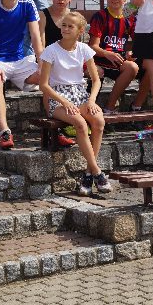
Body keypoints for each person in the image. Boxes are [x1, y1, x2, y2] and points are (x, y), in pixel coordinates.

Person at [39, 11, 110, 196]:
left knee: (99, 121)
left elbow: (96, 80)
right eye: (64, 25)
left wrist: (92, 100)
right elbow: (43, 85)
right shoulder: (51, 50)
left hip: (80, 94)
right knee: (79, 123)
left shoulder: (84, 49)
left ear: (80, 30)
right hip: (58, 97)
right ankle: (97, 172)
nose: (65, 29)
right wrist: (64, 101)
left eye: (70, 26)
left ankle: (88, 174)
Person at [0, 0, 42, 149]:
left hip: (21, 60)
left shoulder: (28, 4)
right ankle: (5, 132)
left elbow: (36, 37)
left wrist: (42, 63)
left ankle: (57, 127)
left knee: (49, 76)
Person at [88, 0, 139, 114]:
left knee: (137, 67)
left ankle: (110, 107)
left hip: (118, 60)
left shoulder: (129, 17)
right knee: (98, 71)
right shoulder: (100, 16)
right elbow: (92, 47)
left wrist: (132, 52)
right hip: (99, 59)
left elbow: (139, 41)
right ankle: (89, 108)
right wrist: (107, 54)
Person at [38, 0, 77, 147]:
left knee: (93, 74)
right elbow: (40, 43)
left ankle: (76, 118)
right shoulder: (43, 15)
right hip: (49, 59)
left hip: (68, 59)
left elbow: (76, 44)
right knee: (49, 79)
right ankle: (55, 127)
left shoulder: (74, 17)